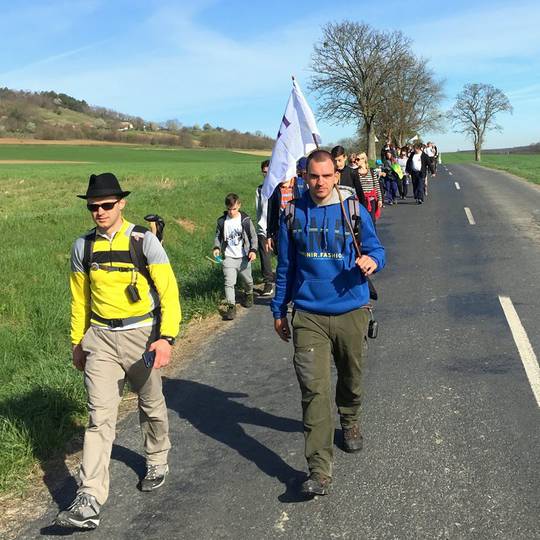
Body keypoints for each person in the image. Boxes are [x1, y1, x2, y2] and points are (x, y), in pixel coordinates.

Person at [56, 173, 181, 529]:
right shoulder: (83, 247)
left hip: (142, 335)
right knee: (99, 417)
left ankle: (157, 457)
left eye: (106, 205)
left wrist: (166, 337)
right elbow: (79, 299)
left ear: (121, 204)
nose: (99, 211)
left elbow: (168, 291)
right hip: (100, 339)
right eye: (93, 206)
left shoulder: (144, 241)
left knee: (151, 403)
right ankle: (89, 497)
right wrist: (77, 341)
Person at [271, 150, 385, 496]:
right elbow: (286, 268)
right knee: (314, 391)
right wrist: (278, 310)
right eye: (313, 177)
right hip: (308, 315)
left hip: (351, 310)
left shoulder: (353, 210)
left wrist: (371, 261)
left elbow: (378, 249)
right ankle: (319, 470)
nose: (319, 183)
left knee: (351, 377)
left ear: (336, 176)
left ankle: (349, 419)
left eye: (325, 176)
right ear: (305, 176)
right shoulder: (292, 213)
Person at [213, 193, 257, 320]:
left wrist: (253, 250)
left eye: (234, 209)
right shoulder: (222, 222)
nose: (231, 212)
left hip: (244, 257)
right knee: (229, 282)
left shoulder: (245, 220)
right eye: (229, 209)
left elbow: (253, 237)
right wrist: (216, 248)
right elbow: (218, 237)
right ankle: (231, 307)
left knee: (248, 281)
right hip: (229, 257)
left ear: (239, 206)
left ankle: (249, 293)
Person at [265, 173, 306, 254]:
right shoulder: (275, 188)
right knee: (284, 259)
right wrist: (269, 235)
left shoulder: (301, 184)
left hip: (300, 229)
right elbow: (271, 211)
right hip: (282, 230)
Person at [255, 160, 274, 296]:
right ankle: (268, 282)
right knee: (264, 255)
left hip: (277, 227)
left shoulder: (278, 187)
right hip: (264, 226)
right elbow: (258, 209)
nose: (266, 175)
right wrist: (260, 224)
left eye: (269, 172)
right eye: (264, 172)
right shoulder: (260, 189)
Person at [355, 152, 382, 225]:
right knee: (363, 221)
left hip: (371, 200)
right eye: (355, 159)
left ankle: (373, 235)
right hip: (360, 201)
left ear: (363, 159)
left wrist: (380, 199)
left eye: (358, 159)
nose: (356, 161)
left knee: (372, 220)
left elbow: (376, 186)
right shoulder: (355, 173)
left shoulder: (371, 171)